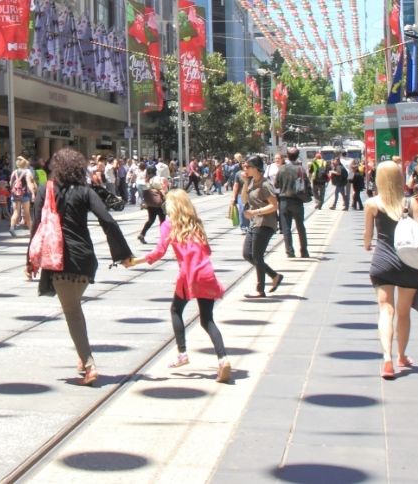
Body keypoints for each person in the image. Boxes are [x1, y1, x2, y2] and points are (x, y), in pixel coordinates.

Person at [27, 148, 133, 387]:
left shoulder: (47, 189)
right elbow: (108, 220)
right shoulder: (87, 191)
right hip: (85, 260)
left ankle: (88, 364)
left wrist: (29, 260)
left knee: (72, 313)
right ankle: (82, 354)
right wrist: (123, 254)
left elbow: (37, 225)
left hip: (61, 261)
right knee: (75, 309)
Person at [134, 189, 231, 383]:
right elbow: (207, 249)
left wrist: (135, 261)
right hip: (206, 272)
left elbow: (159, 251)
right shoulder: (197, 223)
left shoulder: (168, 225)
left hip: (188, 276)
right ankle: (223, 359)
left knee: (176, 310)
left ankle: (182, 354)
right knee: (207, 320)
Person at [364, 160, 418, 380]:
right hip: (408, 264)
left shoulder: (372, 203)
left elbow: (367, 237)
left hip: (382, 262)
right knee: (403, 312)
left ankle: (387, 359)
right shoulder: (411, 203)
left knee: (385, 310)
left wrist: (367, 245)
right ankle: (401, 355)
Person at [238, 156, 283, 298]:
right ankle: (274, 276)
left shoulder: (265, 184)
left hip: (265, 223)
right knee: (247, 254)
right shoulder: (251, 183)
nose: (245, 169)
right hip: (254, 222)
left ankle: (260, 289)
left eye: (248, 167)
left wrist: (255, 212)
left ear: (256, 168)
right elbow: (244, 199)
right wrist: (245, 182)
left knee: (257, 256)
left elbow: (274, 205)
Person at [274, 147, 312, 259]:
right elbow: (306, 184)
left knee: (286, 228)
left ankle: (289, 251)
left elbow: (276, 184)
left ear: (287, 156)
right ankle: (304, 251)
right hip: (297, 201)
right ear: (297, 155)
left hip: (284, 201)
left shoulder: (281, 169)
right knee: (300, 227)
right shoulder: (300, 169)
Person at [138, 172, 167, 244]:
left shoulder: (149, 181)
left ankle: (142, 234)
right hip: (159, 204)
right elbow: (164, 191)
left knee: (150, 220)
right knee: (162, 221)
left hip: (151, 204)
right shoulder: (160, 179)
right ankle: (163, 238)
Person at [8, 157, 35, 234]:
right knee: (27, 213)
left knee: (16, 212)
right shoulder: (27, 172)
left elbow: (10, 183)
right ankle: (31, 231)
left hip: (15, 194)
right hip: (24, 194)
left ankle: (12, 227)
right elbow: (29, 183)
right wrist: (33, 193)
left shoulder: (14, 172)